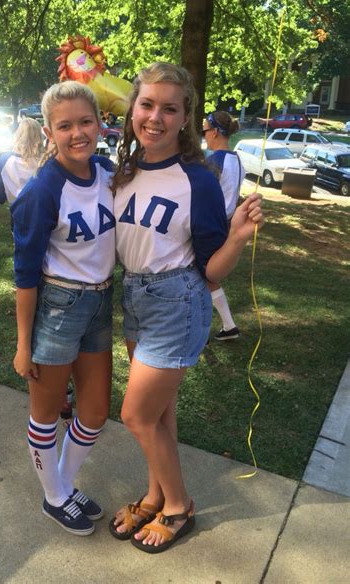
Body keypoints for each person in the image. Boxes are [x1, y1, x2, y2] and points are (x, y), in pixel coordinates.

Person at [109, 62, 264, 553]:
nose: (155, 117)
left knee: (135, 416)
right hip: (135, 297)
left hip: (179, 302)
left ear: (185, 118)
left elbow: (212, 270)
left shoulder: (197, 178)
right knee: (158, 415)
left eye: (169, 109)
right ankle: (155, 495)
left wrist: (238, 235)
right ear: (132, 107)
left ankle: (178, 507)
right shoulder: (125, 171)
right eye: (147, 104)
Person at [11, 81, 115, 536]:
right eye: (65, 125)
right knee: (47, 412)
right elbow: (25, 274)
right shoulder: (42, 189)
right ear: (50, 133)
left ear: (99, 123)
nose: (78, 133)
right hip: (57, 304)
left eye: (85, 121)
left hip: (100, 301)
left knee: (94, 411)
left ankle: (63, 485)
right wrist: (22, 344)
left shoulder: (110, 174)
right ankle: (54, 497)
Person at [203, 110, 245, 340]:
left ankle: (228, 326)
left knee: (205, 275)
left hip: (211, 226)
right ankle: (228, 326)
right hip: (225, 225)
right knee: (206, 275)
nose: (204, 136)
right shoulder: (238, 160)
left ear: (216, 132)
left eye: (205, 131)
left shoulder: (213, 162)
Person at [0, 117, 44, 205]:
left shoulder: (4, 160)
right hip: (44, 211)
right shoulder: (47, 160)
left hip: (17, 212)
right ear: (39, 135)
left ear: (18, 134)